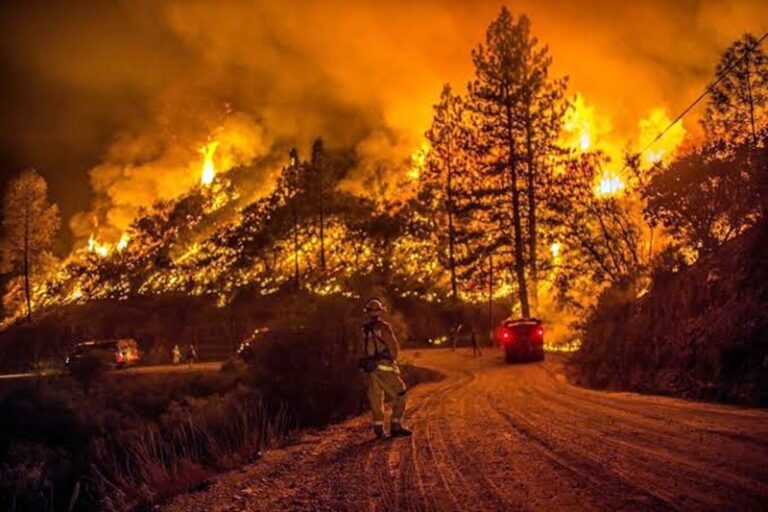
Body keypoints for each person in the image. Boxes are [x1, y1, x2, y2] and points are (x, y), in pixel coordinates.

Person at [360, 298, 412, 439]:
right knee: (400, 393)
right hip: (385, 368)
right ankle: (396, 426)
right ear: (380, 312)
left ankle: (379, 431)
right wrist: (392, 360)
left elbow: (362, 350)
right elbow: (393, 348)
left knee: (376, 400)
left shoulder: (363, 330)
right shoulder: (384, 327)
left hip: (370, 370)